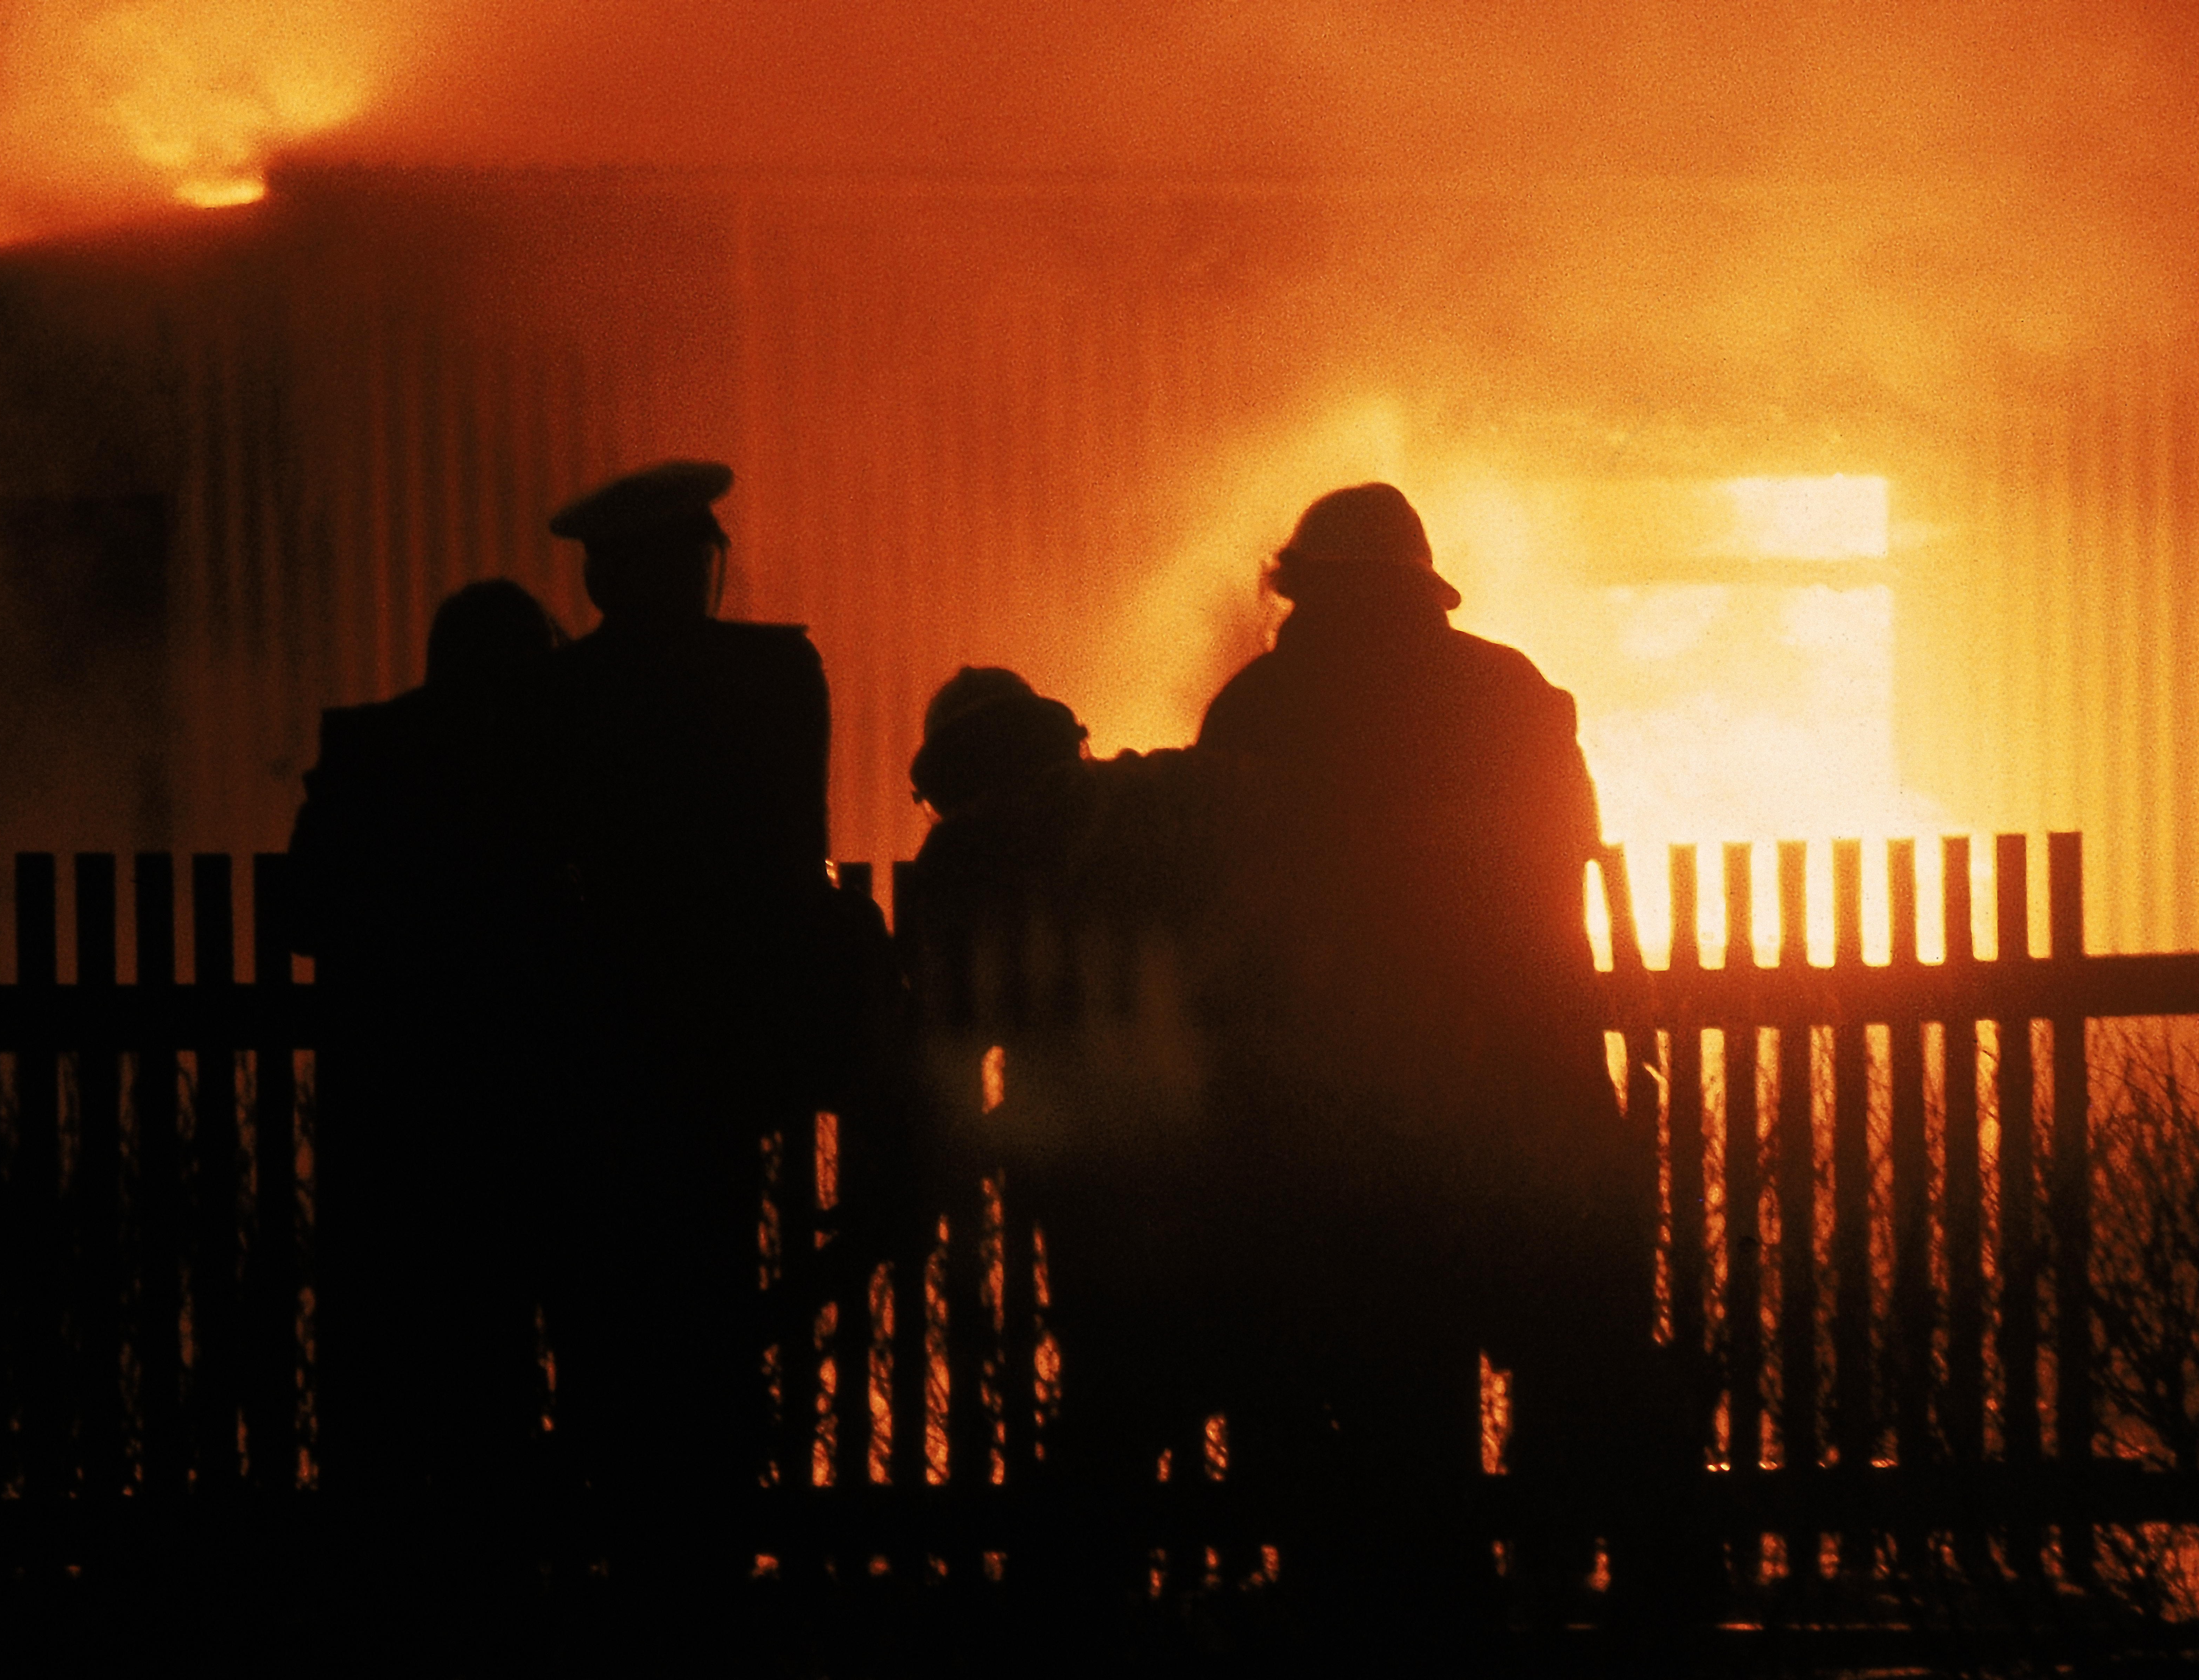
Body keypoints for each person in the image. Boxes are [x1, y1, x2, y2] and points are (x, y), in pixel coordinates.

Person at [1196, 483, 1650, 1609]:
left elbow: (1222, 899)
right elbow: (1565, 857)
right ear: (1420, 586)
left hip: (1336, 1086)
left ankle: (1406, 1594)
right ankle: (1566, 1581)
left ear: (1304, 585)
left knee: (1392, 1346)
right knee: (1569, 1335)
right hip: (1523, 1064)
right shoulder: (1510, 691)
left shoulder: (1262, 708)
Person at [535, 460, 835, 1563]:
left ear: (609, 578)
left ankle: (627, 1533)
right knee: (711, 1297)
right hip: (721, 1048)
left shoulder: (566, 697)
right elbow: (795, 857)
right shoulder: (772, 676)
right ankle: (707, 1534)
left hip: (599, 1049)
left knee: (607, 1312)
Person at [899, 668, 1232, 1508]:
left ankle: (1071, 1613)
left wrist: (940, 1166)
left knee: (1114, 1393)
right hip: (1229, 1136)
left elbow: (949, 1034)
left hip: (1090, 1172)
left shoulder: (964, 855)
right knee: (1262, 1372)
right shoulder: (1152, 795)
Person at [290, 579, 569, 1536]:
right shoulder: (558, 764)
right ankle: (489, 1567)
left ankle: (393, 1583)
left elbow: (305, 914)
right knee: (497, 1352)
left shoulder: (373, 754)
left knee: (385, 1353)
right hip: (521, 1113)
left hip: (391, 1115)